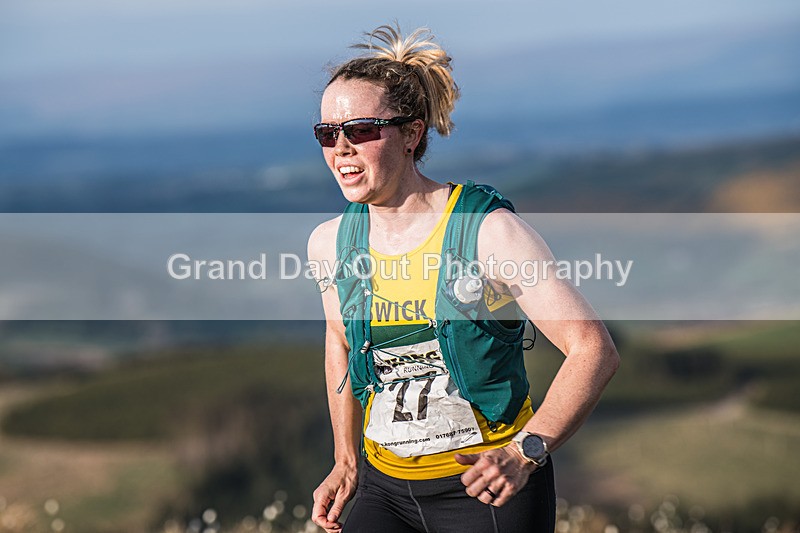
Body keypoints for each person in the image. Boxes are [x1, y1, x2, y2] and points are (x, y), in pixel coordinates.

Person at [307, 23, 619, 533]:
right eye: (327, 133)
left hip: (487, 488)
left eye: (360, 130)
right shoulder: (329, 243)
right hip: (383, 487)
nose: (340, 148)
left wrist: (525, 453)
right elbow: (339, 342)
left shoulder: (488, 232)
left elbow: (593, 349)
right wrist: (346, 461)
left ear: (412, 134)